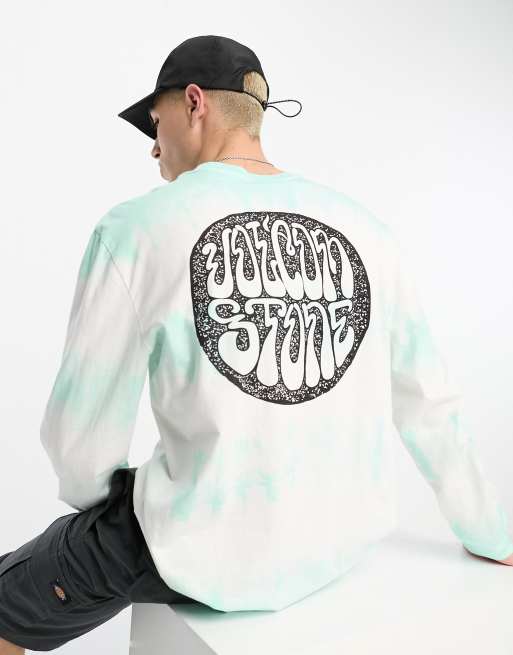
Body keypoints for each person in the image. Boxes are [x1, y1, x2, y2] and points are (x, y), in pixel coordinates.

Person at [1, 33, 511, 654]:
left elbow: (79, 439)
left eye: (155, 125)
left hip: (201, 547)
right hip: (336, 544)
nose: (154, 148)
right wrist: (491, 533)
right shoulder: (368, 231)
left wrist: (102, 510)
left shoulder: (138, 228)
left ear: (194, 103)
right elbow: (430, 404)